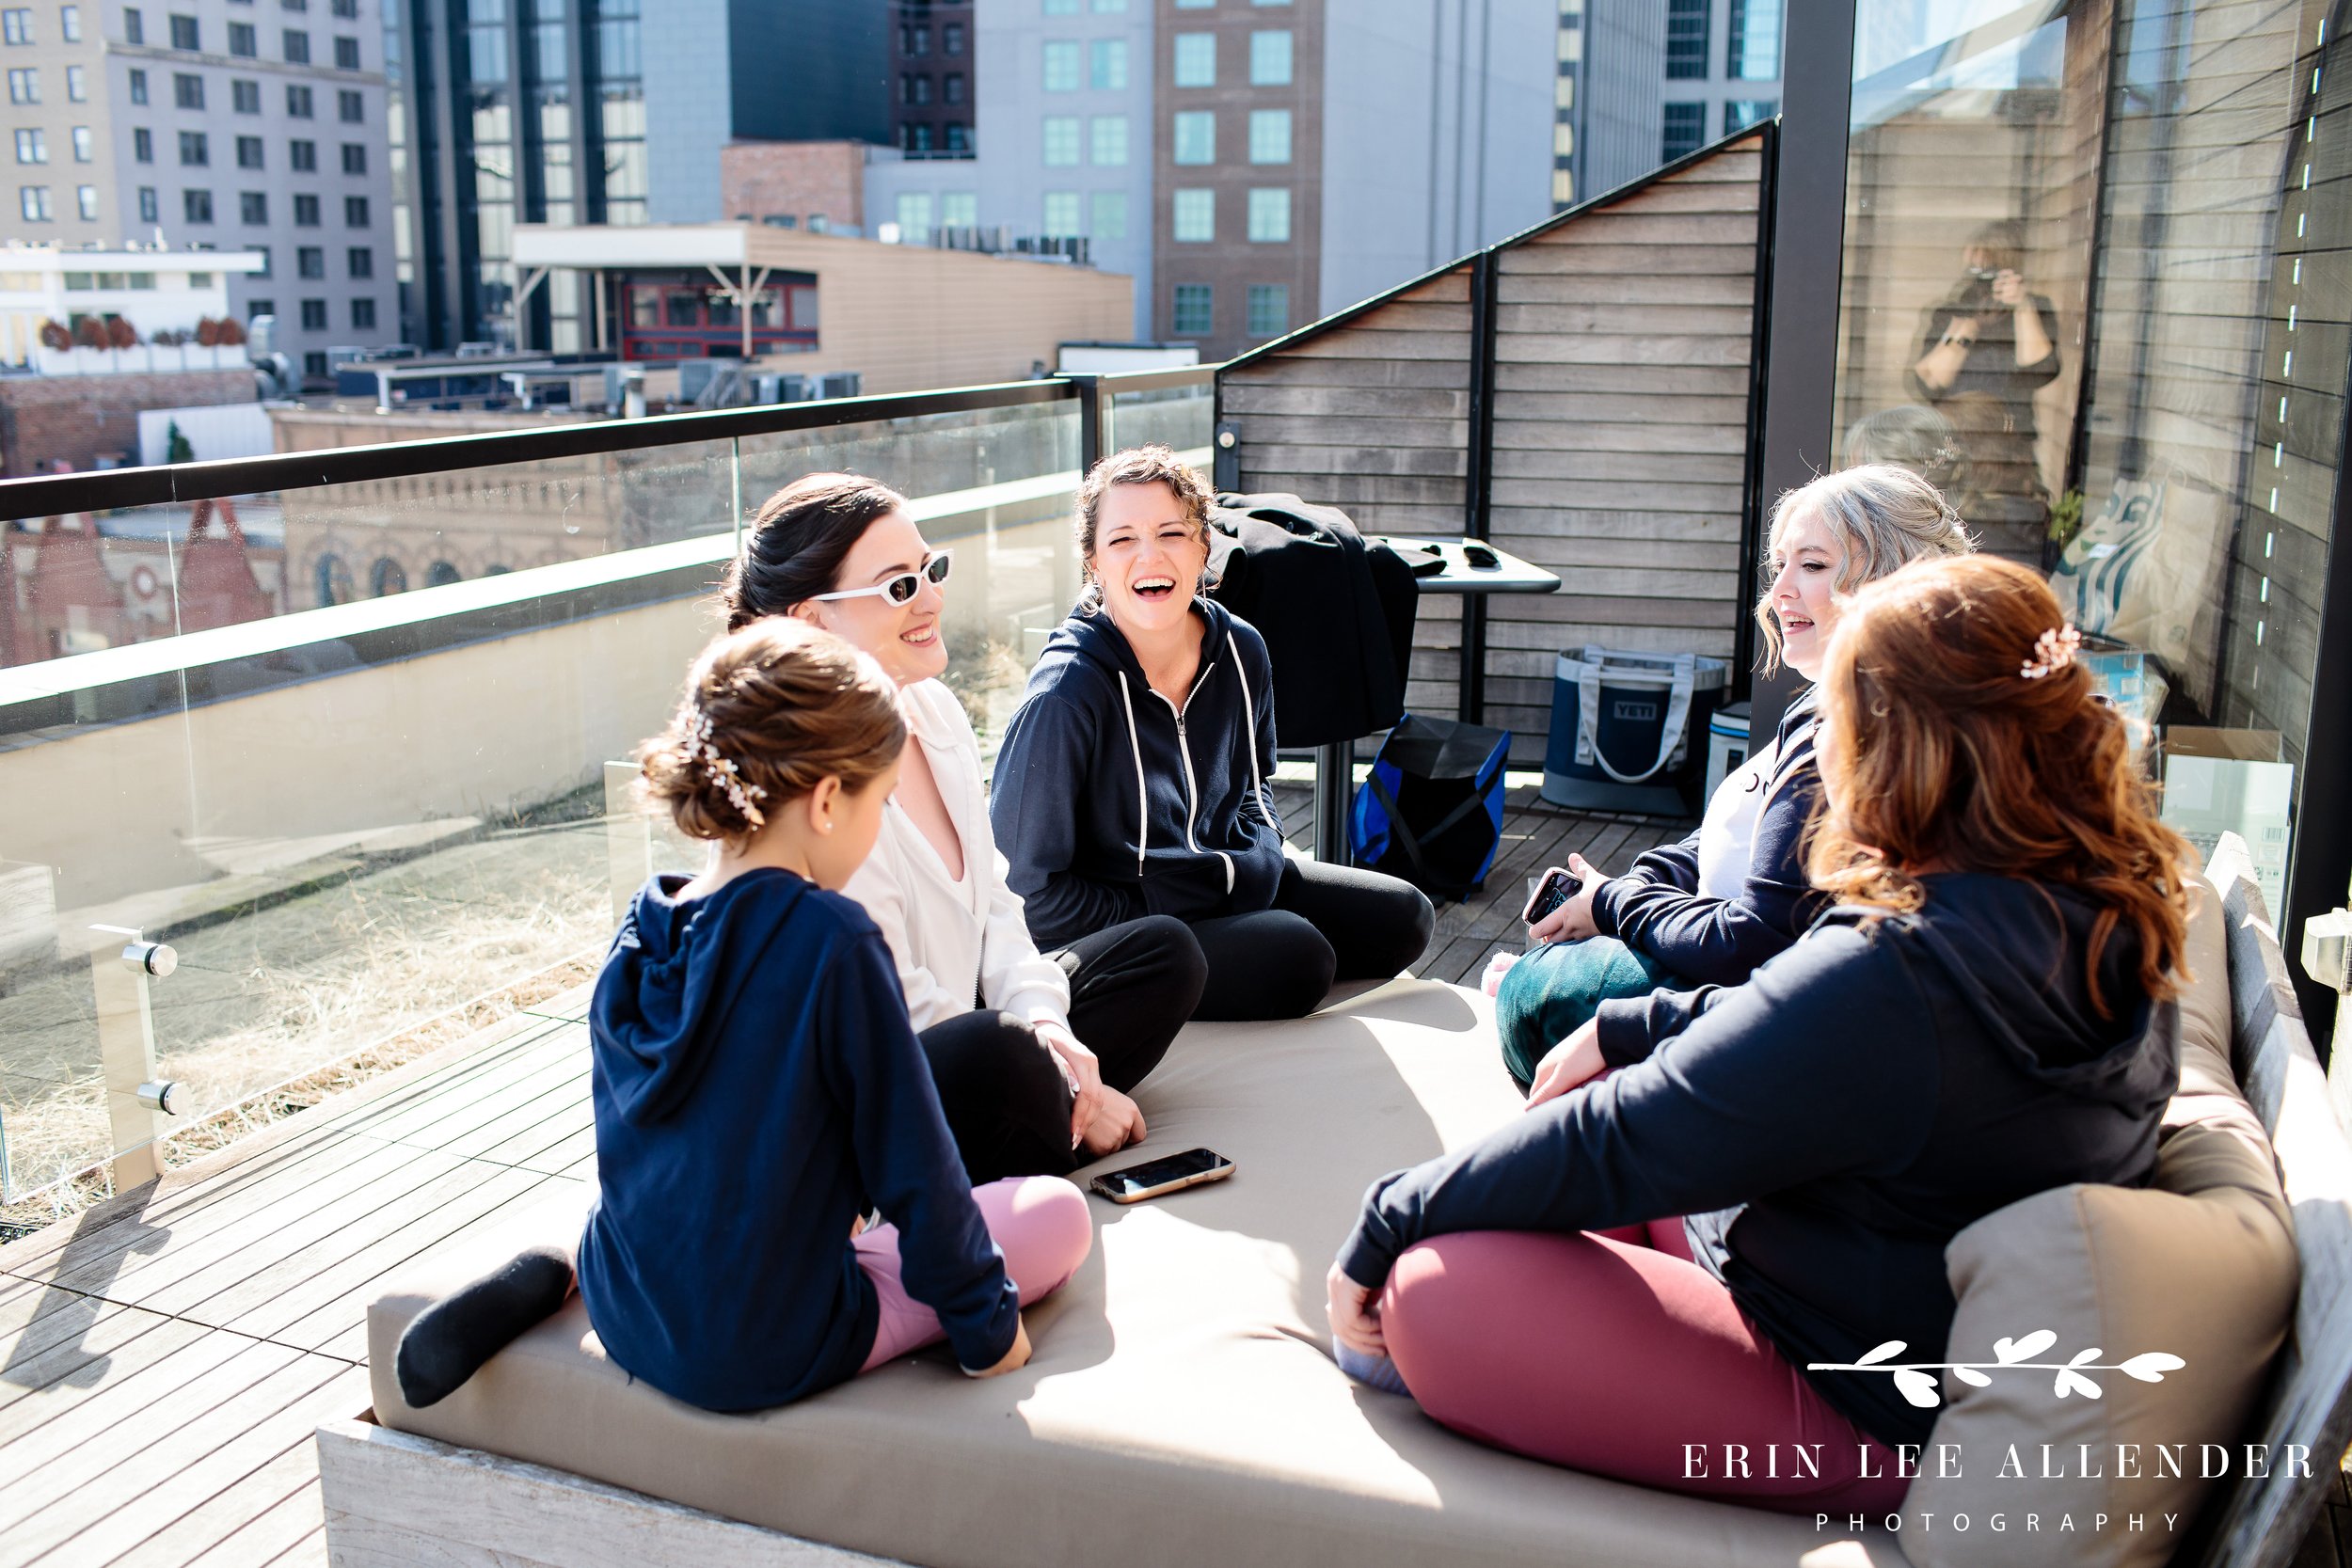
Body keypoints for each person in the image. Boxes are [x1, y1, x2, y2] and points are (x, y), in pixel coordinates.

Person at [1324, 556, 2189, 1511]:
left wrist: (1382, 1220)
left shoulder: (1901, 965)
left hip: (1861, 1397)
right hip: (1892, 1305)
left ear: (1899, 746)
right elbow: (1797, 1031)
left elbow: (1633, 1136)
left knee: (1433, 1285)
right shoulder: (2109, 907)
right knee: (1548, 1137)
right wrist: (1636, 1020)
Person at [394, 620, 1093, 1414]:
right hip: (770, 1344)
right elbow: (917, 1171)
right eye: (881, 802)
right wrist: (989, 1333)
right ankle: (603, 1260)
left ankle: (569, 1261)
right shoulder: (833, 939)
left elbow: (630, 1143)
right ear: (828, 800)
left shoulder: (641, 930)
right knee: (1056, 1217)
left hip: (635, 1309)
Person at [721, 474, 1206, 1183]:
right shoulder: (807, 787)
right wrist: (1055, 1073)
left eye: (930, 569)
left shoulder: (934, 710)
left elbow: (1000, 911)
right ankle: (1033, 1132)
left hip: (968, 1033)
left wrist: (1049, 1029)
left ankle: (1040, 1119)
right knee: (998, 1053)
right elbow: (893, 1004)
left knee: (1165, 955)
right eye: (897, 586)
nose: (931, 597)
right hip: (874, 1078)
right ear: (811, 619)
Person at [1493, 465, 1974, 1087]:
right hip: (1716, 963)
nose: (1780, 595)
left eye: (1814, 565)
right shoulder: (1822, 700)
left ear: (1891, 577)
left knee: (1531, 991)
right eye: (1780, 567)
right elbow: (1733, 830)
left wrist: (1613, 905)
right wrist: (1637, 881)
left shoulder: (1857, 726)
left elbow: (1758, 942)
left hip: (1746, 1008)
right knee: (1543, 973)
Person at [990, 445, 1435, 1022]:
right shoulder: (1067, 694)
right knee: (1296, 957)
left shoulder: (1241, 649)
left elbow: (1255, 790)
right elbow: (1027, 896)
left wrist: (1259, 859)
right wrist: (1177, 901)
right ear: (1094, 563)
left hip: (1219, 881)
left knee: (1404, 918)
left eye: (1171, 533)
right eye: (1122, 539)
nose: (1149, 556)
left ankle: (1242, 935)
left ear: (1203, 548)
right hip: (1122, 924)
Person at [1909, 220, 2060, 543]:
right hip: (1952, 437)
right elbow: (1929, 381)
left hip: (2007, 447)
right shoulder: (1955, 310)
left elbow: (2040, 368)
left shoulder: (2033, 308)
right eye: (1974, 268)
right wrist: (1967, 323)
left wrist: (2021, 305)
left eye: (1989, 269)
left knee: (2008, 528)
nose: (1980, 278)